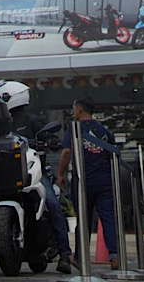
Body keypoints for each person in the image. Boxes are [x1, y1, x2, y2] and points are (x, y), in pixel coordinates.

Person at [0, 80, 73, 274]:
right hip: (1, 173)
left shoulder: (31, 120)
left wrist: (50, 140)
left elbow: (48, 137)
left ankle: (65, 254)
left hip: (31, 171)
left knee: (52, 203)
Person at [57, 96, 118, 271]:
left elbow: (67, 152)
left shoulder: (74, 128)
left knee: (83, 220)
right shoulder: (104, 131)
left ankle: (79, 256)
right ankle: (114, 255)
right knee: (108, 217)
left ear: (79, 109)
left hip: (83, 181)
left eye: (74, 109)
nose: (73, 112)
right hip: (105, 180)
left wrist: (60, 173)